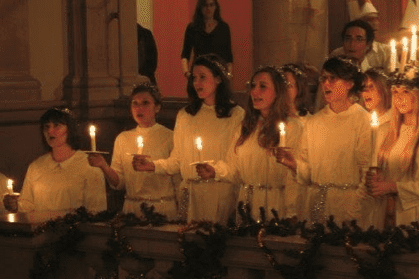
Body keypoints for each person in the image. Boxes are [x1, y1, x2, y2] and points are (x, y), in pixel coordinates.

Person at [133, 54, 244, 224]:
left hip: (219, 195)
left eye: (202, 77)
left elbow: (236, 164)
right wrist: (153, 165)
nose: (197, 83)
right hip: (191, 195)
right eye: (194, 78)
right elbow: (177, 160)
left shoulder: (235, 115)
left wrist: (215, 170)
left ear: (218, 79)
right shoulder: (185, 115)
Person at [195, 66, 305, 222]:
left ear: (278, 92)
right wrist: (215, 171)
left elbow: (296, 175)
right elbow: (234, 168)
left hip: (277, 206)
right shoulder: (245, 127)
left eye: (263, 86)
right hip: (248, 205)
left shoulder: (293, 127)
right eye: (253, 86)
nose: (255, 92)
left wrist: (291, 212)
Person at [276, 56, 371, 226]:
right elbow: (307, 174)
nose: (326, 84)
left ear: (349, 83)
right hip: (316, 203)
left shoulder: (363, 120)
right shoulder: (314, 122)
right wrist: (295, 165)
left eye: (332, 78)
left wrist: (354, 208)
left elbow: (367, 171)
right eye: (323, 78)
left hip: (348, 207)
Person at [366, 65, 419, 227]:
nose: (399, 98)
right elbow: (377, 169)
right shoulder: (384, 130)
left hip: (418, 214)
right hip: (385, 213)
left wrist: (392, 186)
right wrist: (374, 179)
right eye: (395, 92)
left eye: (406, 92)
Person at [87, 83, 180, 219]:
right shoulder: (123, 138)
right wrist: (103, 166)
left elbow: (177, 179)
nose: (139, 108)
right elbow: (119, 183)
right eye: (134, 103)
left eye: (145, 103)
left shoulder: (170, 137)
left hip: (162, 208)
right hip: (132, 210)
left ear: (157, 107)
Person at [3, 107, 106, 219]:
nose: (50, 131)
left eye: (57, 126)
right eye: (46, 127)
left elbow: (96, 210)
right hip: (39, 231)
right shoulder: (36, 166)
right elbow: (27, 204)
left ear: (70, 129)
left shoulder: (89, 165)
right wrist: (15, 205)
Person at [334, 0, 390, 70]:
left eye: (376, 18)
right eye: (369, 19)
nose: (375, 23)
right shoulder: (336, 55)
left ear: (368, 43)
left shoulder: (385, 52)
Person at [361, 67, 395, 228]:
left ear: (384, 90)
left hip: (383, 195)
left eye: (371, 87)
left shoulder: (393, 125)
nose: (366, 92)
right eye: (363, 88)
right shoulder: (360, 121)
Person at [180, 0, 233, 77]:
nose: (208, 9)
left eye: (211, 5)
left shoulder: (223, 28)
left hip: (217, 74)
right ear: (200, 8)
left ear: (216, 7)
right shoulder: (192, 28)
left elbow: (228, 56)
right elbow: (185, 54)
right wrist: (187, 73)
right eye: (205, 5)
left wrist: (229, 74)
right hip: (199, 73)